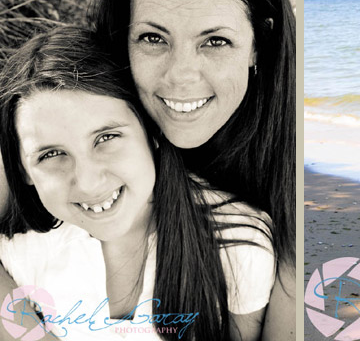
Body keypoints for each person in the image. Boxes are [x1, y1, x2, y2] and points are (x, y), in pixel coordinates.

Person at [87, 0, 295, 337]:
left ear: (259, 44)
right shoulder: (74, 125)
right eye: (153, 38)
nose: (181, 76)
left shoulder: (291, 175)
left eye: (215, 41)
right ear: (122, 39)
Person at [0, 27, 274, 340]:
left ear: (151, 129)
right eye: (51, 154)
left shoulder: (238, 243)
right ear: (22, 170)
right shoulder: (24, 257)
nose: (88, 182)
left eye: (106, 137)